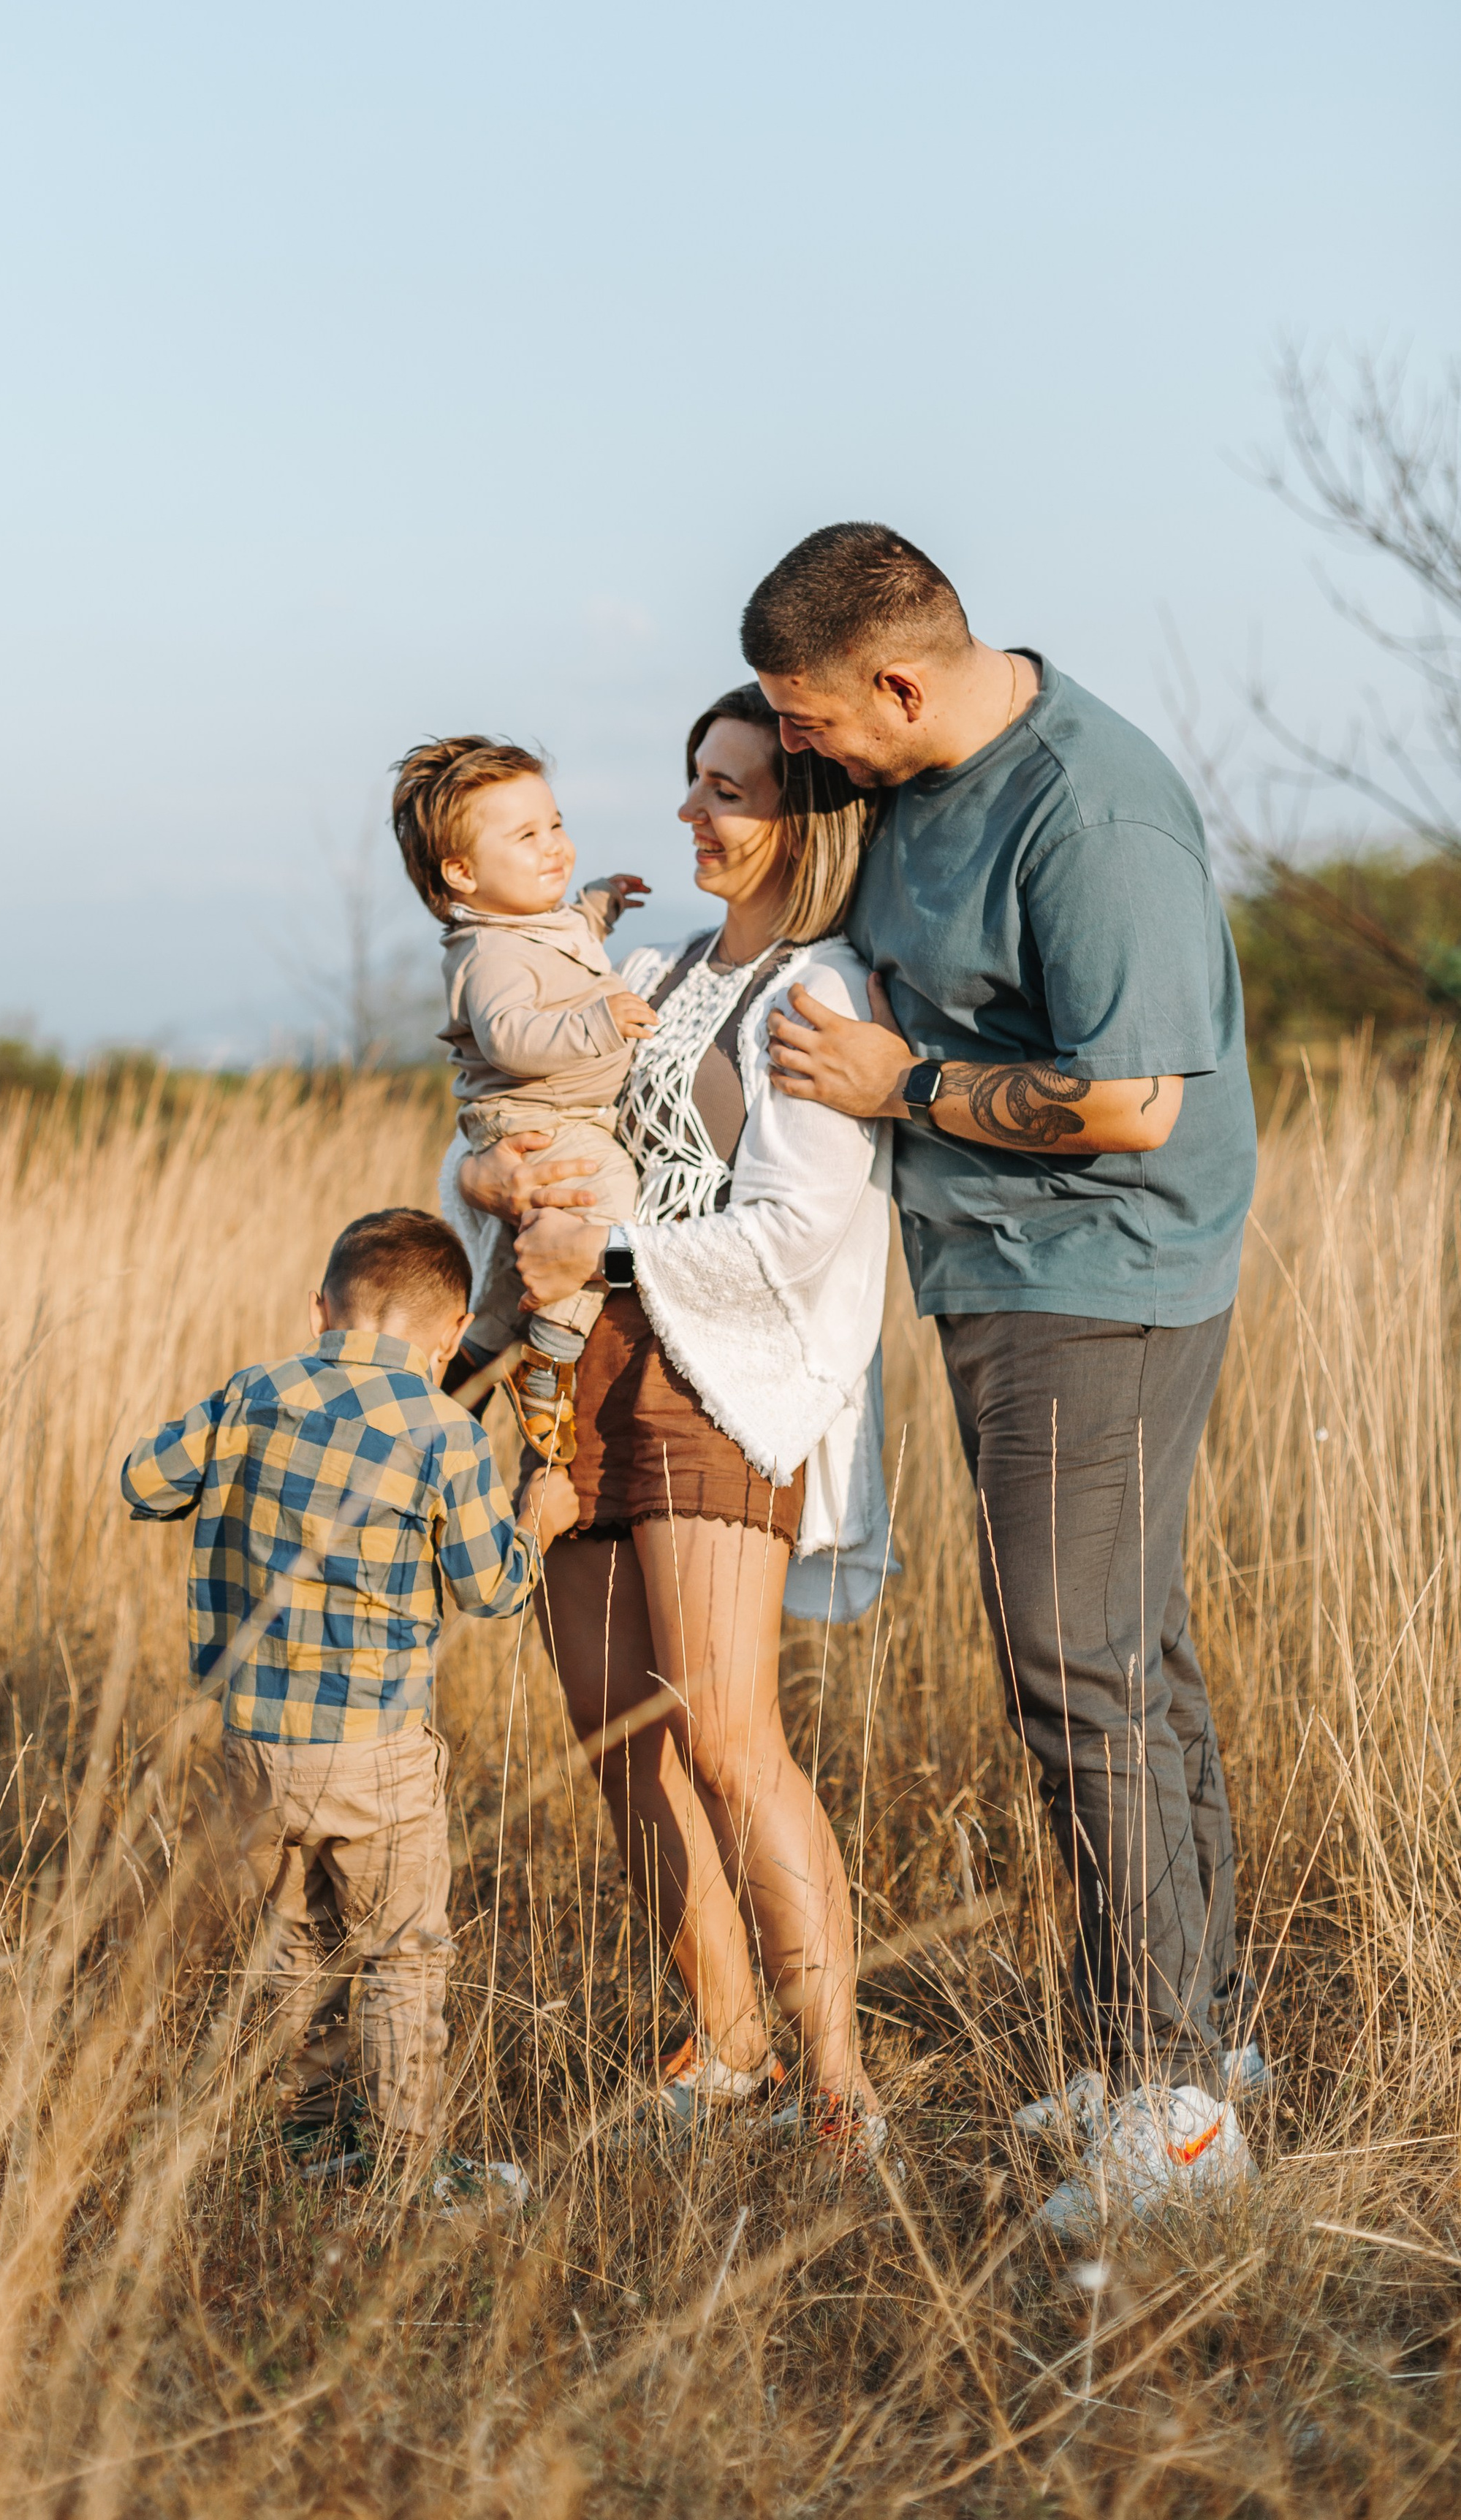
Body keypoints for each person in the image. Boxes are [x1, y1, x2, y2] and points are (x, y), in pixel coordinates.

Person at [744, 519, 1264, 2235]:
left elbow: (1128, 1105)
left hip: (1100, 1277)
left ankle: (1171, 2103)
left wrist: (900, 1085)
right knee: (1129, 1651)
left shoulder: (1088, 813)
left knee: (1076, 1673)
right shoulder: (917, 775)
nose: (802, 745)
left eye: (808, 717)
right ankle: (1198, 2046)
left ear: (896, 678)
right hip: (999, 1272)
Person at [447, 686, 894, 2152]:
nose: (695, 815)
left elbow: (795, 1234)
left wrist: (610, 1257)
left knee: (720, 1731)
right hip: (576, 1375)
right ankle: (723, 2045)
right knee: (613, 1730)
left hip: (718, 1379)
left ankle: (836, 2084)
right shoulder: (646, 960)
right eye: (694, 783)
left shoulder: (818, 994)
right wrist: (492, 1189)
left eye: (732, 791)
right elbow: (522, 1119)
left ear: (802, 816)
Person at [121, 1206, 580, 2198]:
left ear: (323, 1308)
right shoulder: (445, 1431)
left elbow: (144, 1485)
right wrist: (535, 1522)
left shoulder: (253, 1393)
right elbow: (493, 1591)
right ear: (452, 1336)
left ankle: (310, 2141)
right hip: (375, 1753)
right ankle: (408, 2171)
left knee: (290, 1952)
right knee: (399, 1957)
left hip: (253, 1749)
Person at [391, 734, 654, 1460]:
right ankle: (550, 1354)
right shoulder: (488, 955)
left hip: (547, 1117)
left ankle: (464, 1378)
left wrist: (601, 903)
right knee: (603, 1191)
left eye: (557, 825)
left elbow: (569, 938)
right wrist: (598, 1022)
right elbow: (510, 1037)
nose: (554, 848)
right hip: (537, 1122)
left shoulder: (531, 924)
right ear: (462, 873)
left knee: (508, 1281)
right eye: (527, 836)